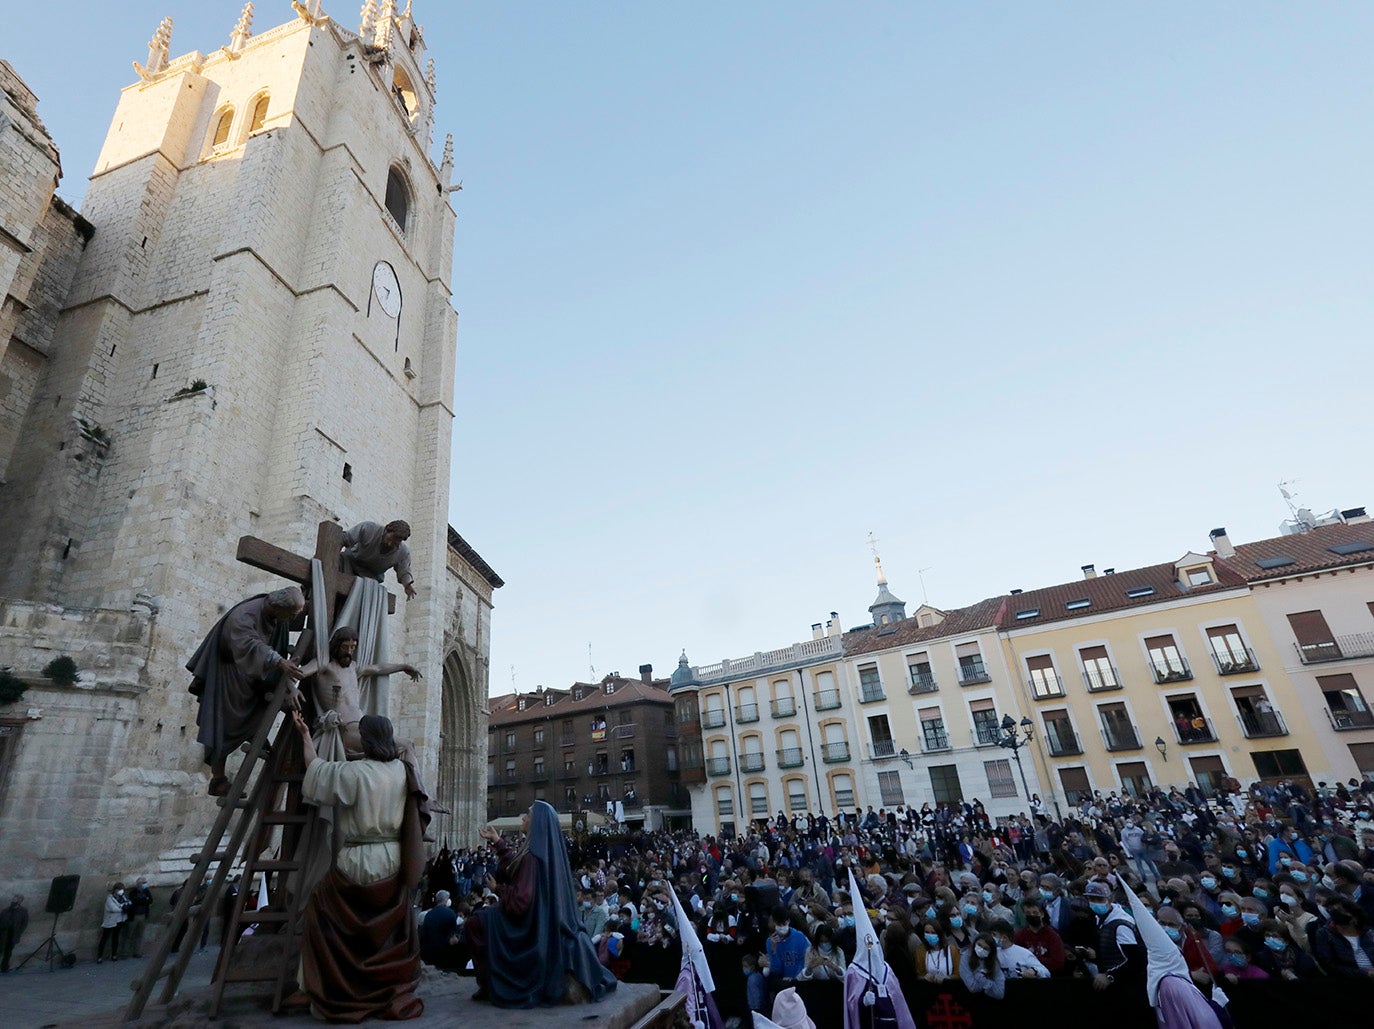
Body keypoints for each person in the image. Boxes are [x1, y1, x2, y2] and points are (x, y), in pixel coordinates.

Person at [292, 709, 427, 1021]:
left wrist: (304, 736)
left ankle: (324, 986)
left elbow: (315, 771)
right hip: (394, 858)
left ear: (365, 740)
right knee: (385, 929)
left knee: (321, 910)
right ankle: (383, 987)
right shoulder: (402, 770)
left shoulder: (354, 773)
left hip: (359, 858)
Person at [464, 801, 617, 1007]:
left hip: (528, 925)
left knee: (475, 923)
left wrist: (497, 889)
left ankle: (489, 985)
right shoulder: (541, 854)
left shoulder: (533, 857)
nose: (523, 819)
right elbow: (517, 868)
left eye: (527, 815)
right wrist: (498, 841)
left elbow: (520, 902)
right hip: (538, 919)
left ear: (537, 823)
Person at [187, 585, 306, 795]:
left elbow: (285, 625)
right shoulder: (244, 616)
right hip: (228, 673)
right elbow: (249, 644)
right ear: (279, 607)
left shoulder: (275, 614)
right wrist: (278, 661)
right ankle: (218, 780)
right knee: (222, 724)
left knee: (262, 700)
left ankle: (255, 733)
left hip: (250, 672)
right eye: (292, 614)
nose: (292, 619)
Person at [341, 520, 418, 599]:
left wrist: (407, 584)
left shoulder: (403, 553)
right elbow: (345, 538)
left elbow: (404, 571)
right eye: (389, 539)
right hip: (350, 565)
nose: (389, 544)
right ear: (386, 531)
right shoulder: (369, 528)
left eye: (395, 543)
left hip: (371, 578)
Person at [419, 890, 465, 971]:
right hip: (445, 952)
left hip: (429, 952)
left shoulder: (428, 914)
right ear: (445, 900)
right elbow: (453, 936)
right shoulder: (450, 913)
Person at [960, 931, 1006, 999]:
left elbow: (999, 993)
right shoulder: (966, 957)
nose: (981, 949)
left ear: (990, 952)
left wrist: (980, 977)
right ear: (975, 943)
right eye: (979, 945)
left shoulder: (994, 963)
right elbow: (973, 988)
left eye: (985, 948)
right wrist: (989, 983)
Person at [96, 882, 129, 963]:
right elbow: (113, 908)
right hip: (110, 921)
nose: (121, 891)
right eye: (120, 889)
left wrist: (126, 906)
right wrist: (123, 908)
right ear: (115, 890)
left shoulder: (123, 897)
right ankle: (99, 956)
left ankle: (114, 955)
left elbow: (127, 903)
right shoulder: (110, 898)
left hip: (119, 920)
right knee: (105, 938)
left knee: (115, 938)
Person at [121, 877, 153, 958]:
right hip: (134, 916)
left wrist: (144, 900)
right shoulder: (133, 892)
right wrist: (144, 899)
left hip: (143, 915)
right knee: (129, 934)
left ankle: (137, 952)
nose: (145, 884)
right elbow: (135, 902)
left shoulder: (147, 891)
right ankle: (124, 953)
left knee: (139, 935)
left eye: (145, 882)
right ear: (138, 884)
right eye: (144, 882)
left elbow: (150, 901)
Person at [0, 895, 28, 973]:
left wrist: (19, 932)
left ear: (20, 901)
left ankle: (4, 968)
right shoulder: (5, 910)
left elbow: (24, 923)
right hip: (3, 933)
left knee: (8, 952)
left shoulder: (23, 911)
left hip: (13, 934)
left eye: (17, 899)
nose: (15, 901)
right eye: (14, 899)